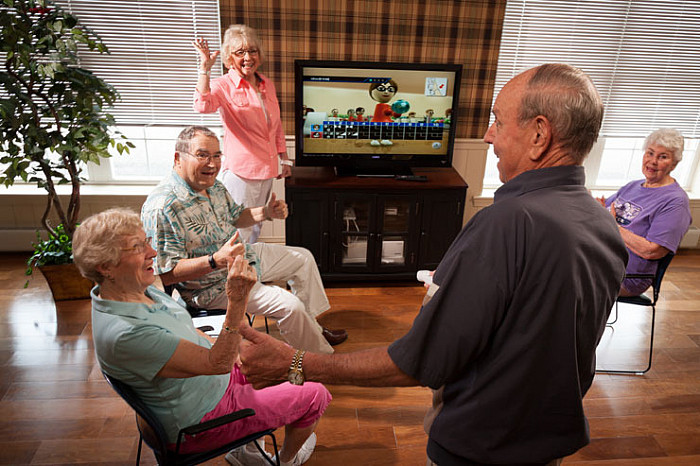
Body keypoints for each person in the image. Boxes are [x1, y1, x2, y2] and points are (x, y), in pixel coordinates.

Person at [237, 64, 629, 465]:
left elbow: (420, 361)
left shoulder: (508, 222)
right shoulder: (603, 223)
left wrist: (295, 362)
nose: (487, 135)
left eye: (497, 120)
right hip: (547, 442)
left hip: (479, 446)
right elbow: (541, 322)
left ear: (539, 135)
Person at [72, 208, 330, 466]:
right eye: (137, 247)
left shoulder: (131, 289)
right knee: (315, 393)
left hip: (208, 383)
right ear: (105, 266)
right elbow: (217, 364)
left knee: (283, 356)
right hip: (201, 422)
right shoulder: (127, 333)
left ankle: (248, 453)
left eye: (147, 242)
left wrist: (236, 352)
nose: (152, 253)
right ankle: (284, 462)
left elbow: (184, 330)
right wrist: (237, 300)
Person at [141, 126, 348, 354]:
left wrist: (266, 212)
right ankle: (317, 361)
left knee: (302, 258)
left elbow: (236, 216)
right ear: (178, 158)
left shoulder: (215, 186)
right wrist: (215, 260)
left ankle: (312, 329)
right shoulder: (163, 207)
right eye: (202, 155)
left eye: (217, 155)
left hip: (241, 259)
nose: (212, 164)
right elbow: (167, 273)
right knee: (290, 306)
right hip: (212, 286)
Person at [192, 25, 291, 243]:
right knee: (237, 230)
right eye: (240, 52)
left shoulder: (267, 84)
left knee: (256, 227)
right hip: (242, 174)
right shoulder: (223, 85)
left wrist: (284, 158)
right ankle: (232, 273)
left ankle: (249, 271)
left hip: (268, 170)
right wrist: (204, 69)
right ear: (229, 57)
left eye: (252, 51)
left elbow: (276, 125)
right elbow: (201, 105)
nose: (248, 57)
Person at [598, 128, 692, 296]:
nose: (653, 161)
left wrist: (615, 227)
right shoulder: (632, 186)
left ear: (674, 163)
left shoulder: (676, 202)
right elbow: (604, 211)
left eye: (662, 157)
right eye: (650, 153)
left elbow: (652, 251)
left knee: (560, 278)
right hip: (601, 259)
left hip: (626, 276)